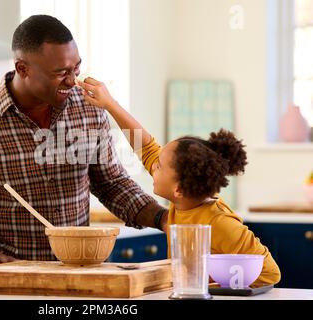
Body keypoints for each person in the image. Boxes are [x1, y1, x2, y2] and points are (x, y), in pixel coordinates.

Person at [0, 15, 167, 266]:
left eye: (76, 69)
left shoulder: (89, 109)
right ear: (22, 68)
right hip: (6, 283)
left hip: (77, 274)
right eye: (61, 72)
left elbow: (112, 184)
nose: (72, 81)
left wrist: (162, 219)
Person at [77, 77, 281, 286]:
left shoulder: (220, 223)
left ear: (179, 189)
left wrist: (210, 282)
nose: (152, 164)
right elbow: (145, 146)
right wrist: (110, 105)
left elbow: (270, 273)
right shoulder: (184, 202)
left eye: (159, 166)